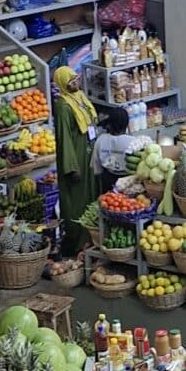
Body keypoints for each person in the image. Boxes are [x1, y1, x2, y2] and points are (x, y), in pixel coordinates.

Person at [52, 66, 98, 255]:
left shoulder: (80, 97)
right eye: (71, 82)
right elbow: (64, 139)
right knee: (76, 204)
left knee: (91, 198)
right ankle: (75, 245)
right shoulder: (63, 106)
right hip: (76, 159)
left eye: (76, 80)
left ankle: (91, 239)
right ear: (62, 84)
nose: (75, 84)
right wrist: (71, 168)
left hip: (88, 154)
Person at [91, 107, 133, 193]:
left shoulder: (101, 140)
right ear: (126, 123)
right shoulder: (133, 141)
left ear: (109, 124)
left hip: (107, 181)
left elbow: (96, 168)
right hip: (129, 181)